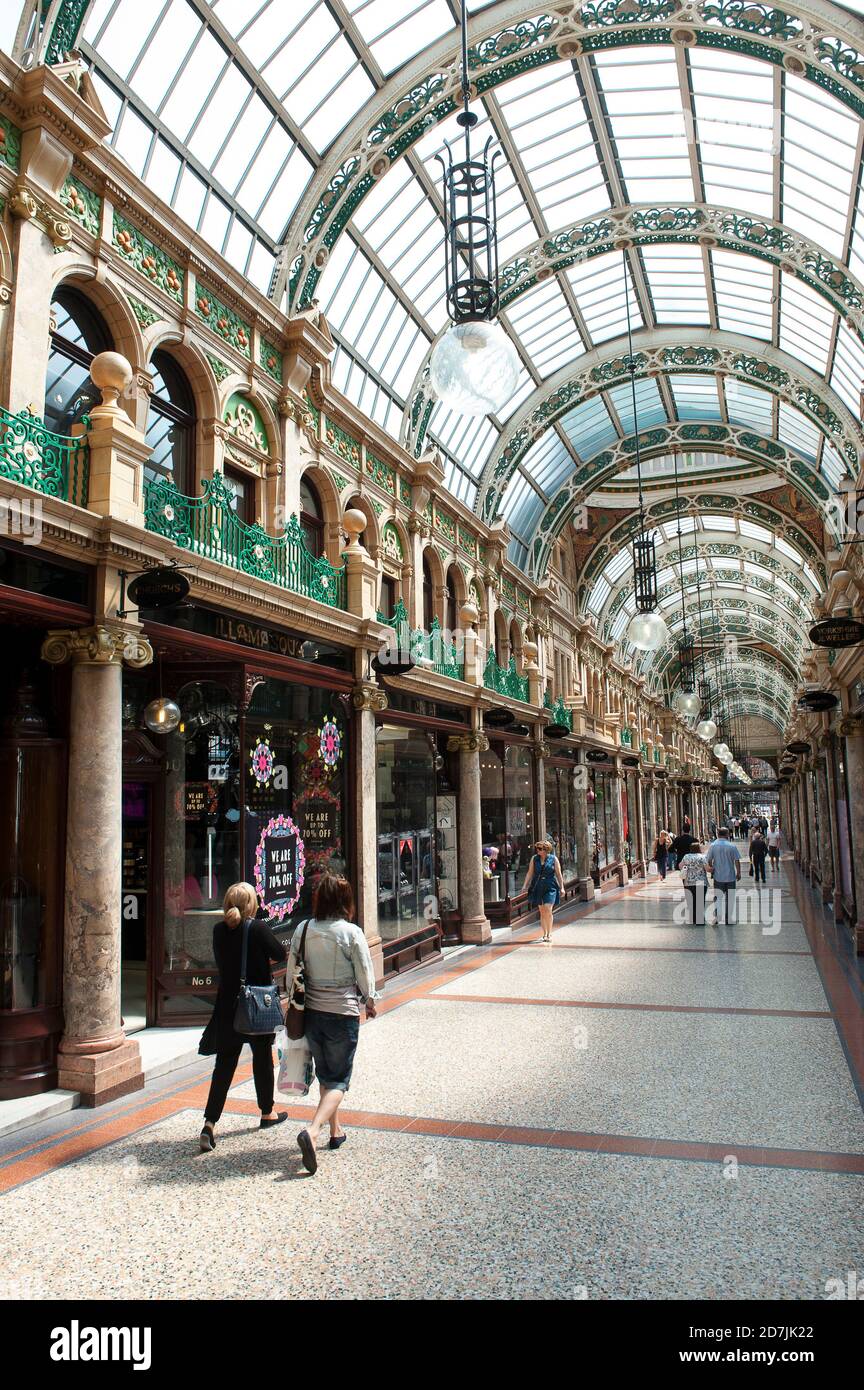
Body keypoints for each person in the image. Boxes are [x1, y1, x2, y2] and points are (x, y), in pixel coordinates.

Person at [290, 874, 379, 1175]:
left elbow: (292, 974)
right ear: (345, 902)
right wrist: (370, 998)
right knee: (340, 1079)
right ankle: (313, 1131)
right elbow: (364, 973)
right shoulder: (351, 933)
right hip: (342, 1012)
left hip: (312, 1013)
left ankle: (335, 1131)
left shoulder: (302, 929)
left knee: (327, 1074)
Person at [198, 882, 288, 1152]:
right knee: (262, 1058)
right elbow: (280, 954)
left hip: (227, 1006)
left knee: (224, 1066)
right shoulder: (257, 928)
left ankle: (210, 1124)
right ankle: (267, 1113)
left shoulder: (218, 931)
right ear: (251, 904)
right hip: (257, 1005)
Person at [523, 839, 565, 943]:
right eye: (537, 848)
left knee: (548, 908)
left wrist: (562, 887)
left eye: (540, 849)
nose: (538, 850)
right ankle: (544, 933)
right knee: (542, 911)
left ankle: (550, 933)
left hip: (550, 885)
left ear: (546, 850)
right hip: (538, 886)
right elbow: (529, 873)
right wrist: (525, 885)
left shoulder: (553, 859)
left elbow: (559, 874)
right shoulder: (534, 859)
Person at [705, 828, 742, 925]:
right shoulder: (732, 846)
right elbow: (737, 860)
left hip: (718, 876)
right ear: (727, 834)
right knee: (730, 898)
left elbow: (708, 859)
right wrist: (738, 873)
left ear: (718, 834)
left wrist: (711, 868)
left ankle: (717, 917)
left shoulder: (713, 846)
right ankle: (728, 919)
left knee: (718, 897)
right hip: (730, 876)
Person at [679, 841, 709, 925]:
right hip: (700, 881)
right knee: (699, 900)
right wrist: (713, 870)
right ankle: (700, 920)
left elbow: (680, 866)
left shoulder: (686, 856)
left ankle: (693, 918)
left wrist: (688, 868)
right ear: (698, 848)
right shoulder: (702, 857)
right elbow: (707, 868)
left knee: (691, 901)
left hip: (689, 881)